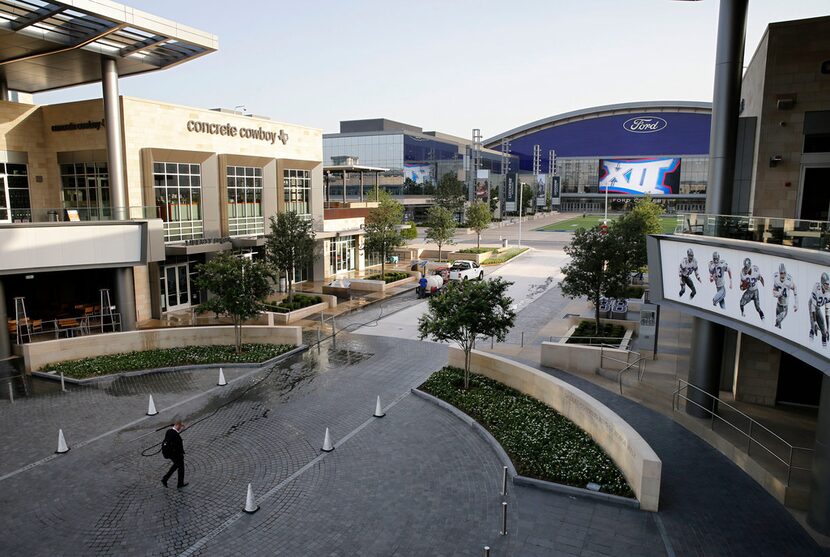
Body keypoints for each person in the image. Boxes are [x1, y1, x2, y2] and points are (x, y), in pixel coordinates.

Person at [161, 420, 188, 489]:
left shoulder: (169, 431)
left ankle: (165, 479)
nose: (181, 428)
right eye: (180, 426)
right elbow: (178, 447)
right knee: (181, 468)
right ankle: (180, 484)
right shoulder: (176, 436)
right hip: (176, 454)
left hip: (170, 454)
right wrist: (181, 455)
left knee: (176, 465)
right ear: (178, 426)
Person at [772, 263, 797, 329]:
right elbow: (773, 292)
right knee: (778, 325)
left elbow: (794, 288)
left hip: (785, 307)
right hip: (778, 305)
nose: (783, 275)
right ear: (779, 273)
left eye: (784, 273)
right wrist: (778, 294)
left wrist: (796, 303)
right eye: (781, 273)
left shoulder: (789, 280)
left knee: (777, 322)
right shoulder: (776, 278)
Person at [809, 272, 830, 347]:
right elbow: (813, 306)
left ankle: (824, 346)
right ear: (822, 283)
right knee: (813, 326)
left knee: (823, 330)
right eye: (826, 284)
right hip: (812, 305)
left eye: (828, 284)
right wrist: (814, 322)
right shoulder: (816, 287)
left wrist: (828, 328)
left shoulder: (828, 293)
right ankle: (810, 342)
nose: (827, 286)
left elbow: (827, 311)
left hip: (818, 308)